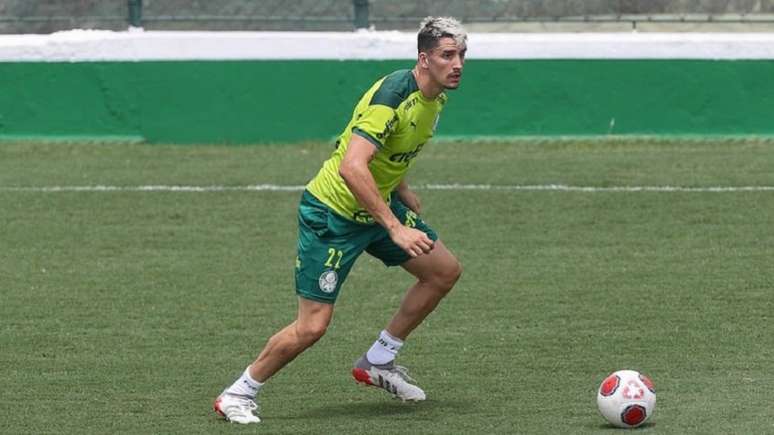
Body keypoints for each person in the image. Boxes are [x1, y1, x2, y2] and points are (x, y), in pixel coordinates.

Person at [214, 16, 468, 424]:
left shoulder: (435, 97)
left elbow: (387, 149)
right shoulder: (394, 96)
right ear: (424, 59)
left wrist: (400, 187)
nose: (457, 64)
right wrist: (395, 226)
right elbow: (352, 165)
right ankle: (238, 393)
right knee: (312, 327)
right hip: (332, 214)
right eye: (447, 55)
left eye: (461, 55)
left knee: (442, 271)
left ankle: (378, 362)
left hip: (374, 205)